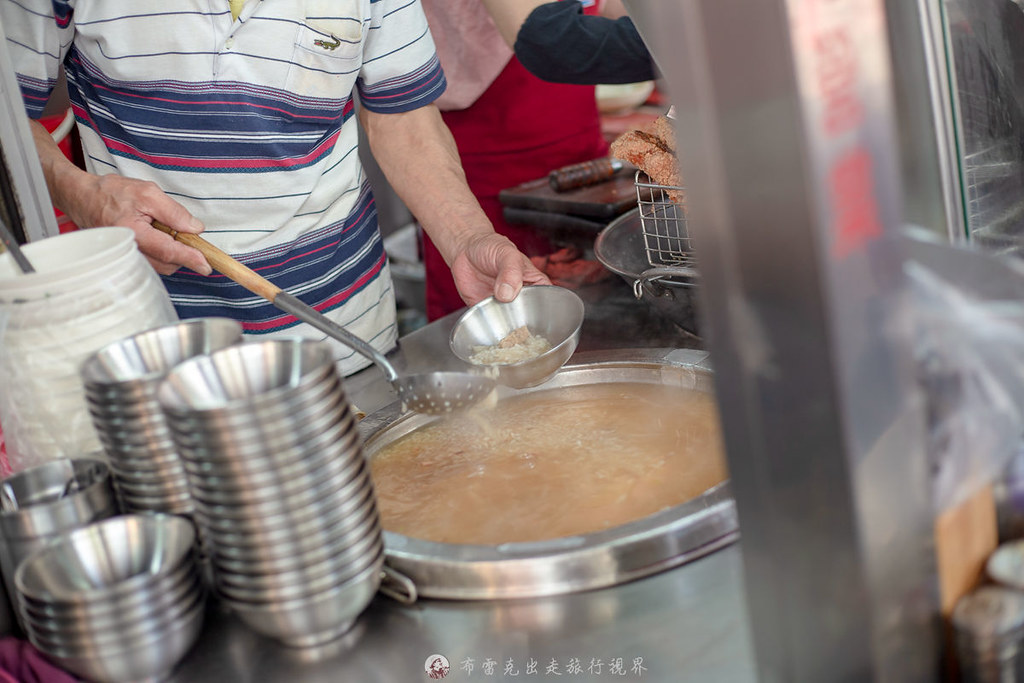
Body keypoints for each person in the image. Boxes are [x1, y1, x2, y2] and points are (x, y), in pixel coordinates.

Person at [1, 0, 549, 375]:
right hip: (163, 349)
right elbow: (7, 114)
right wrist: (81, 193)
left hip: (350, 335)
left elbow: (403, 120)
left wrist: (467, 237)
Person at [419, 0, 613, 321]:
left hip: (582, 159)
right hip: (479, 173)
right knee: (496, 335)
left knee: (600, 324)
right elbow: (545, 39)